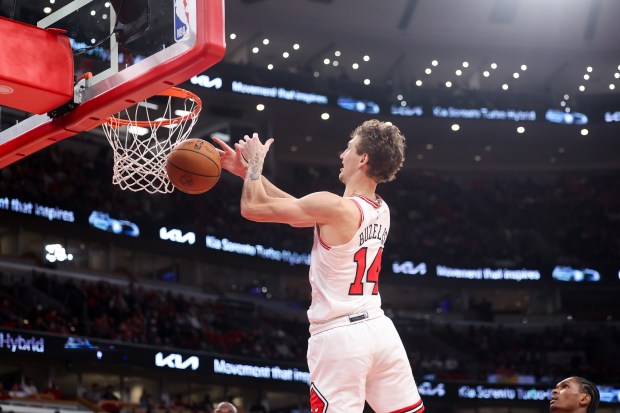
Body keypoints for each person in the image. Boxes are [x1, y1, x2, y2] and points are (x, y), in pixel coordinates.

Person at [214, 119, 424, 413]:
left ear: (363, 159)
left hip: (339, 339)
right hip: (380, 330)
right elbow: (300, 209)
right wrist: (247, 173)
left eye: (349, 148)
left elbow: (253, 208)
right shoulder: (380, 209)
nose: (342, 155)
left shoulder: (334, 206)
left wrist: (255, 164)